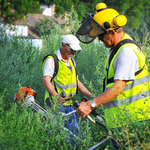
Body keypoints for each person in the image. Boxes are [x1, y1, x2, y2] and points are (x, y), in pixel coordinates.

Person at [76, 2, 150, 149]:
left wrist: (92, 104)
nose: (99, 39)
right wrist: (98, 100)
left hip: (133, 123)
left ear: (113, 32)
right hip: (122, 122)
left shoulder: (126, 53)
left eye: (101, 35)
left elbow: (118, 88)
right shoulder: (117, 49)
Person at [42, 34, 93, 136]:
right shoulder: (52, 60)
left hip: (69, 105)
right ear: (64, 45)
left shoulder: (72, 61)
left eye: (75, 51)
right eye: (72, 50)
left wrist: (92, 96)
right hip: (54, 105)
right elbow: (46, 81)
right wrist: (56, 96)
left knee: (73, 137)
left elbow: (77, 82)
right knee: (54, 136)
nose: (74, 53)